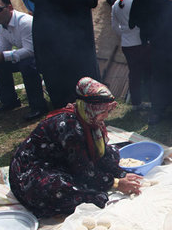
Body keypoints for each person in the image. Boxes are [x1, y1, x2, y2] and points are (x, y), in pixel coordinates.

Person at [9, 77, 142, 218]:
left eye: (107, 111)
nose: (105, 116)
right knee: (59, 190)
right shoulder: (70, 128)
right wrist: (115, 183)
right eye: (102, 112)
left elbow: (100, 153)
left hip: (61, 159)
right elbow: (84, 170)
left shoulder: (87, 116)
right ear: (89, 108)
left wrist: (121, 173)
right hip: (32, 169)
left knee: (111, 154)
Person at [27, 0, 111, 110]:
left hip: (45, 34)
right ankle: (80, 117)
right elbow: (83, 1)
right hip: (68, 39)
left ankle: (61, 114)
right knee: (76, 85)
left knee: (56, 83)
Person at [0, 0, 47, 120]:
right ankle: (9, 101)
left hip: (47, 57)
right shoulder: (2, 25)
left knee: (27, 64)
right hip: (32, 55)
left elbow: (30, 51)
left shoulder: (24, 22)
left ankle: (38, 106)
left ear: (10, 7)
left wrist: (2, 55)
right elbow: (2, 47)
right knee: (1, 64)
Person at [111, 0, 150, 111]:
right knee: (147, 72)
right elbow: (144, 21)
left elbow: (115, 26)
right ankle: (151, 100)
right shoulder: (136, 1)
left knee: (134, 74)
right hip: (140, 42)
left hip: (127, 44)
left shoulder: (116, 4)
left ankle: (136, 103)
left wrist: (125, 34)